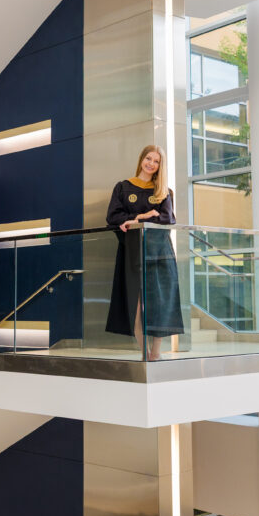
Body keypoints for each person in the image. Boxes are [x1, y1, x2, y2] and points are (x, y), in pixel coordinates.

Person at [105, 145, 184, 360]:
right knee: (136, 303)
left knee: (158, 303)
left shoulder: (164, 191)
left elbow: (167, 219)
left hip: (159, 252)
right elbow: (113, 217)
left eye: (156, 161)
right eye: (148, 158)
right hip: (133, 252)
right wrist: (143, 216)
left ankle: (156, 353)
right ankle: (144, 352)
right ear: (141, 159)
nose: (151, 163)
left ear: (160, 166)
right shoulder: (123, 188)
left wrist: (136, 218)